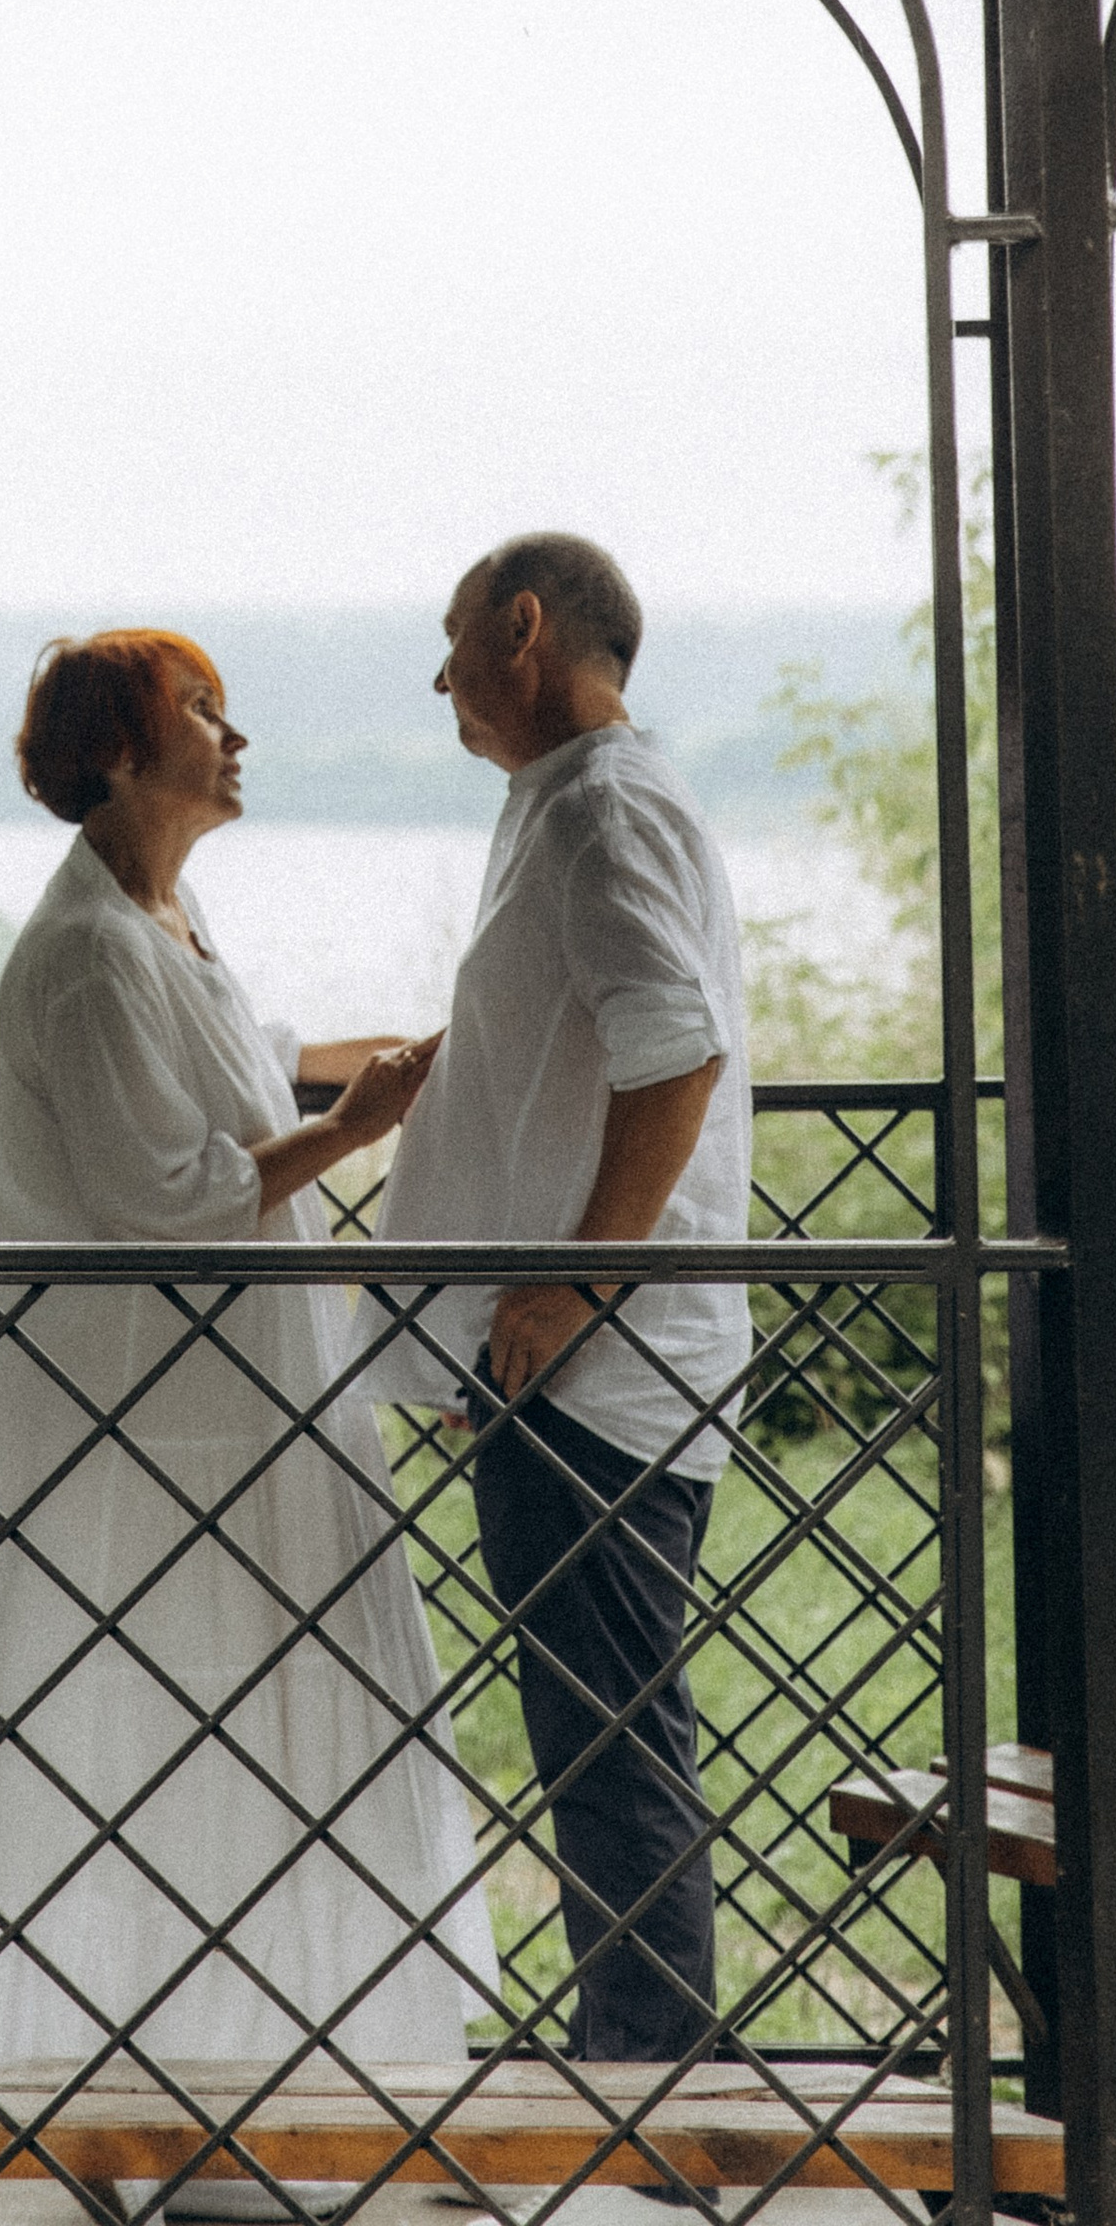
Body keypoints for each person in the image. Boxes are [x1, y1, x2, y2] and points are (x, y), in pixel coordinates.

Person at [0, 627, 499, 2076]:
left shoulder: (167, 919)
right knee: (179, 1723)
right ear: (123, 752)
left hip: (242, 1393)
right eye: (202, 710)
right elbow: (165, 1194)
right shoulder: (85, 954)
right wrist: (353, 1132)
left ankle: (304, 2064)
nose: (233, 738)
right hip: (149, 1421)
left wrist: (459, 1049)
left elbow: (260, 1062)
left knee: (275, 1715)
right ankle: (165, 2074)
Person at [364, 535, 752, 2065]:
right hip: (573, 1366)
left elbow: (675, 1047)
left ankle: (653, 2088)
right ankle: (641, 2067)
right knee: (601, 1738)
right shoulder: (577, 801)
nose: (439, 677)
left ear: (524, 629)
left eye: (455, 638)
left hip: (598, 1372)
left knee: (610, 1748)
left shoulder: (600, 807)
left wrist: (573, 1283)